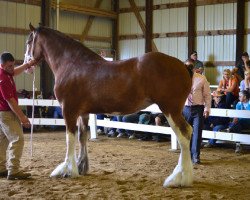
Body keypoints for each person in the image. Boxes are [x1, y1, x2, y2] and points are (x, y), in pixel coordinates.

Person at [0, 52, 36, 180]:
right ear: (2, 65)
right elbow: (11, 101)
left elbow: (15, 72)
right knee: (18, 139)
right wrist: (23, 118)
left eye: (12, 65)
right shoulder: (3, 78)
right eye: (9, 66)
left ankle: (1, 168)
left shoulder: (6, 73)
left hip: (2, 113)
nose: (12, 68)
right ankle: (14, 170)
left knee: (2, 141)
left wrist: (27, 64)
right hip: (6, 113)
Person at [183, 59, 211, 164]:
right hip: (185, 109)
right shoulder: (180, 79)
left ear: (194, 67)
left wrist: (207, 109)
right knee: (186, 133)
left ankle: (195, 156)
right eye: (187, 66)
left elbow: (207, 95)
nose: (189, 68)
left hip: (198, 108)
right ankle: (187, 155)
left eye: (190, 66)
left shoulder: (201, 78)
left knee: (197, 133)